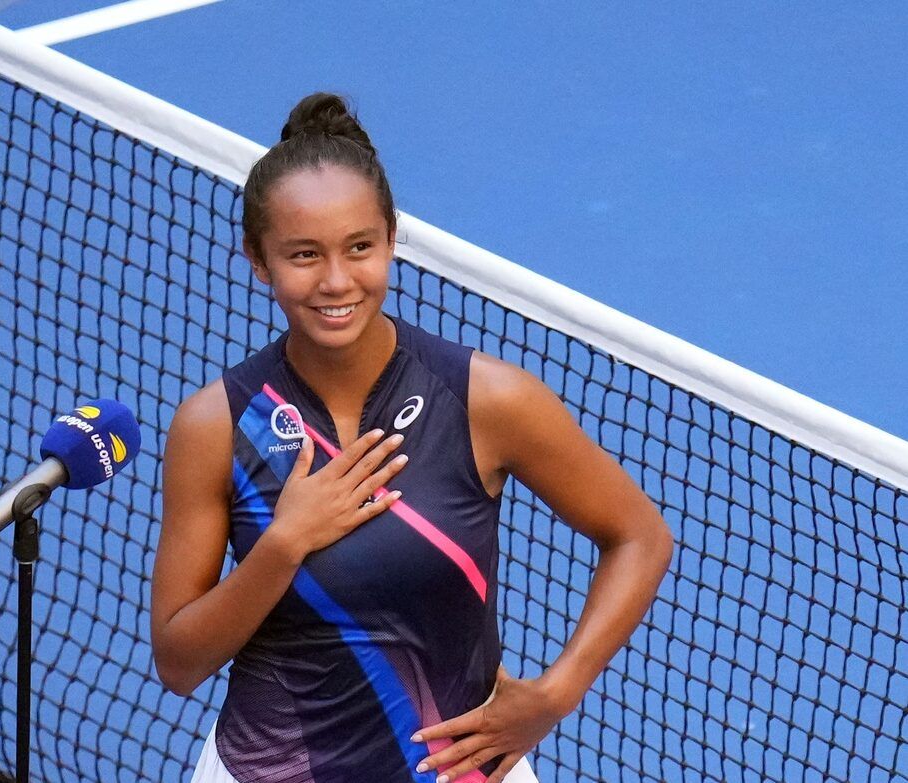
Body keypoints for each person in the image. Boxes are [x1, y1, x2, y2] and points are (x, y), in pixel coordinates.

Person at [150, 92, 674, 783]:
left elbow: (639, 534)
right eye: (303, 254)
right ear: (257, 259)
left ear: (392, 240)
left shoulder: (487, 400)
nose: (336, 280)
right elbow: (179, 662)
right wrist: (283, 543)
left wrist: (555, 692)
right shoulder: (215, 426)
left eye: (359, 247)